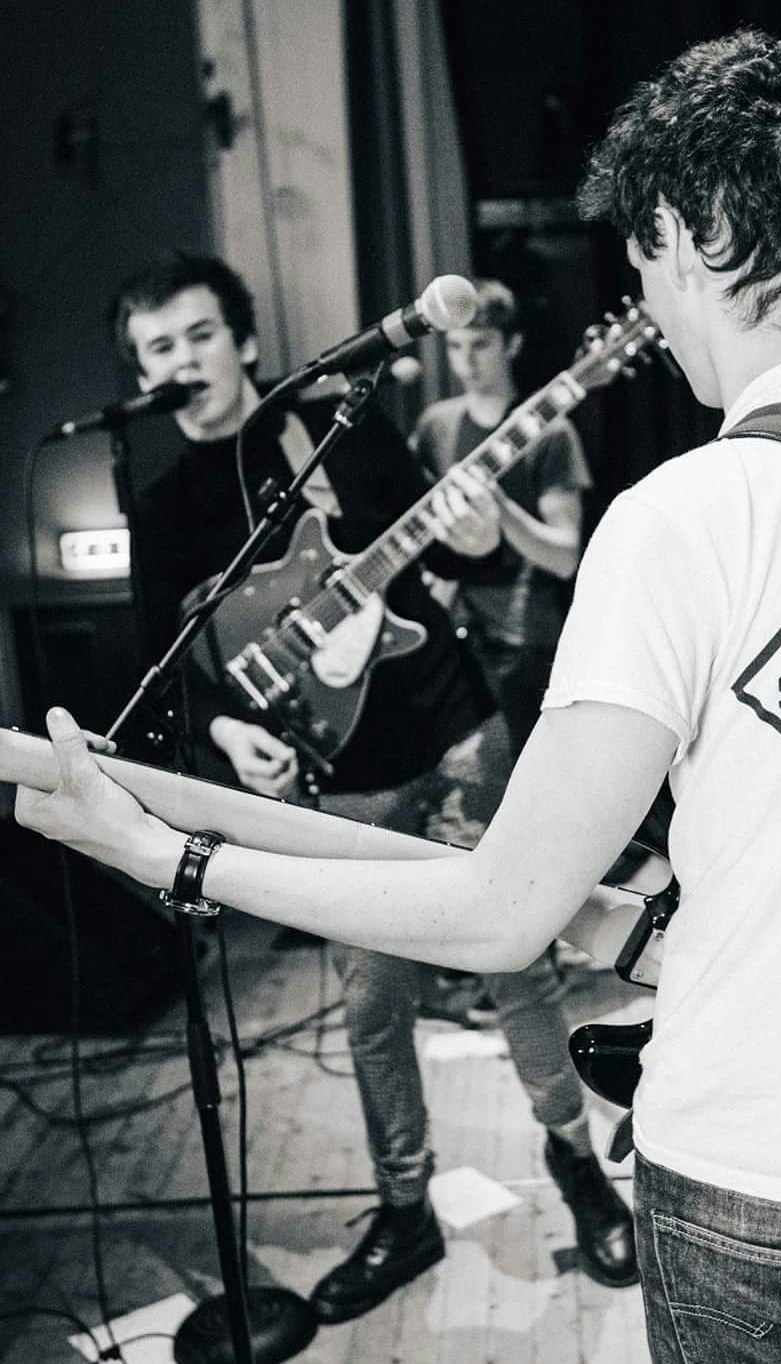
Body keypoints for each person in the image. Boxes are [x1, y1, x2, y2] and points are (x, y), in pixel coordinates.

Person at [27, 32, 781, 1361]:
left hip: (758, 1190)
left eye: (644, 263)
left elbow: (502, 913)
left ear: (693, 234)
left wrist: (172, 855)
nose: (654, 311)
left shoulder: (681, 516)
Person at [107, 254, 636, 1324]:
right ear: (142, 373)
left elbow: (448, 548)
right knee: (371, 1001)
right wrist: (227, 734)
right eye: (159, 348)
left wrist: (477, 537)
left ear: (245, 343)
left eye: (200, 335)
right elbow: (171, 652)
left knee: (517, 961)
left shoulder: (332, 426)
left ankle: (576, 1162)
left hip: (450, 725)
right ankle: (405, 1205)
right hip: (332, 769)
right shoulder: (162, 507)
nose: (183, 361)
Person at [411, 278, 594, 1025]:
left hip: (527, 643)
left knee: (526, 811)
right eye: (456, 346)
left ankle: (531, 961)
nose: (467, 359)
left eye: (481, 343)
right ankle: (478, 966)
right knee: (461, 807)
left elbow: (565, 553)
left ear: (511, 344)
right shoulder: (435, 426)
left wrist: (501, 510)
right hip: (449, 639)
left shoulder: (550, 433)